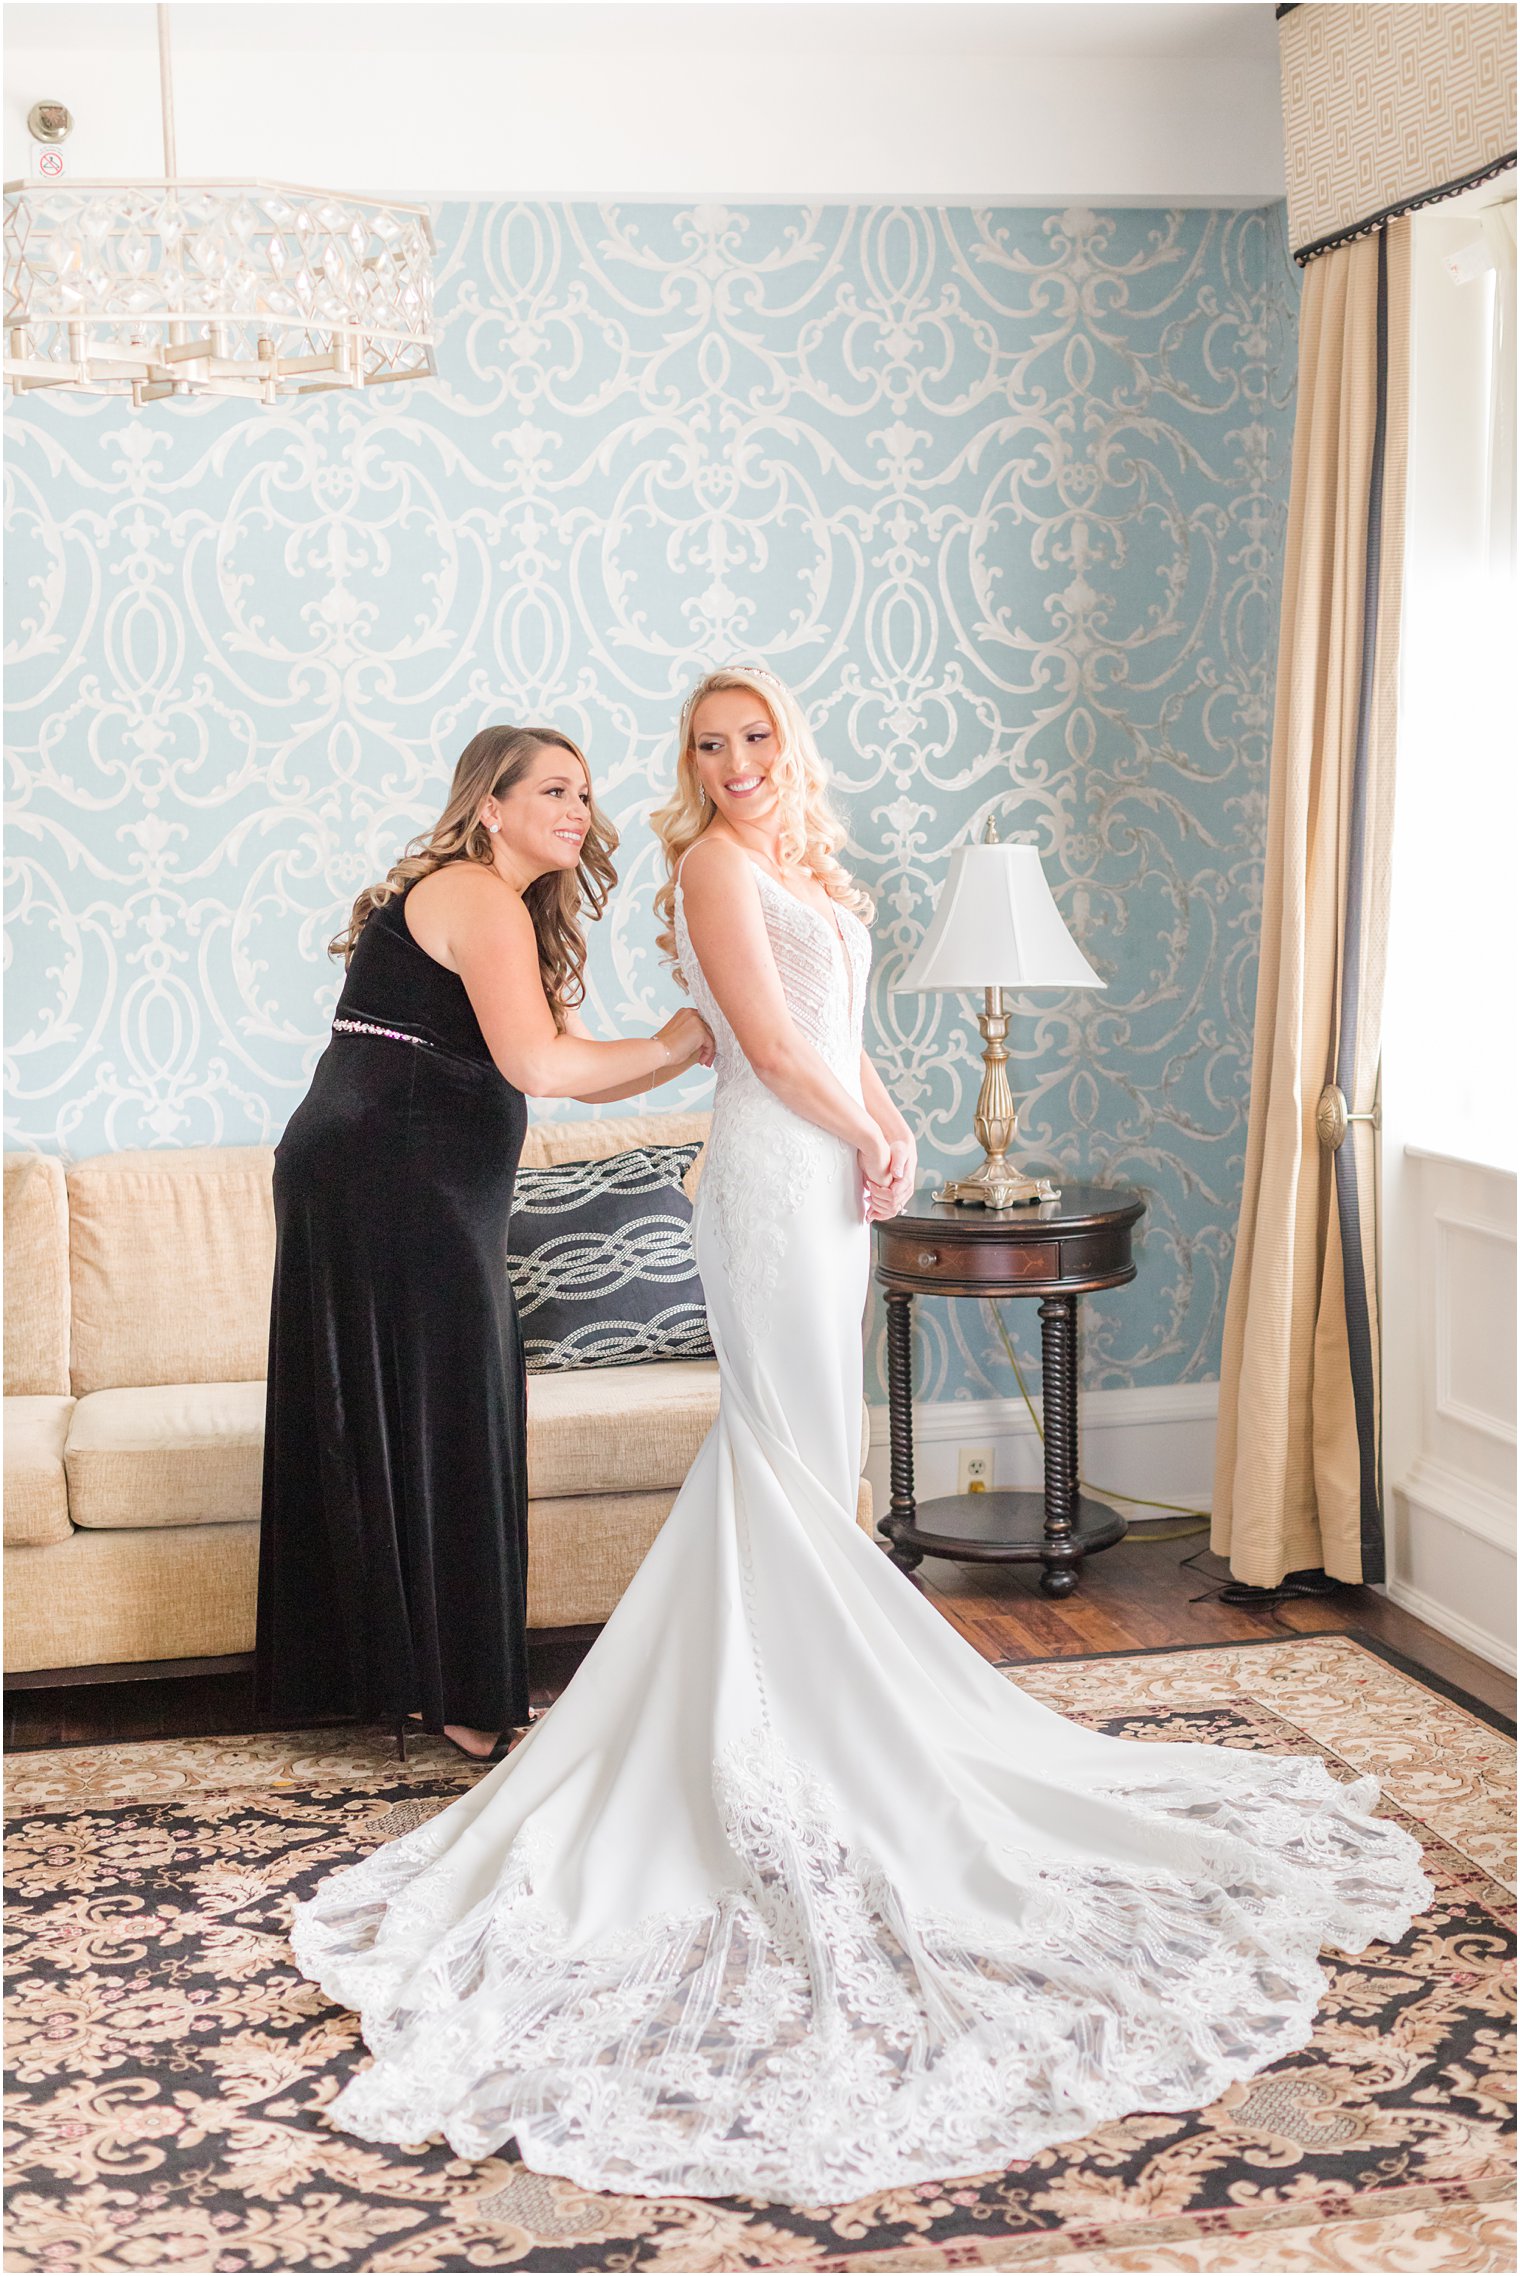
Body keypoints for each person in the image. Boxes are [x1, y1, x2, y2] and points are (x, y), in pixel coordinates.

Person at [287, 669, 1428, 2203]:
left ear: (791, 746)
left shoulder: (805, 864)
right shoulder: (693, 864)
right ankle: (773, 1732)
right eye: (707, 744)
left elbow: (839, 1024)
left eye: (755, 737)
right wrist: (861, 1125)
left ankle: (786, 1711)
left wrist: (891, 1122)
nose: (734, 761)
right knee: (783, 1454)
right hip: (772, 1171)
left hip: (824, 1170)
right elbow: (756, 1043)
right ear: (510, 797)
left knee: (811, 1461)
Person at [254, 725, 711, 1762]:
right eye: (552, 789)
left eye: (584, 795)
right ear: (489, 804)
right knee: (454, 1408)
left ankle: (398, 1678)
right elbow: (544, 1065)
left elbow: (564, 1064)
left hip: (399, 1168)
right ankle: (463, 1694)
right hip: (390, 1170)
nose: (576, 810)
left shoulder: (495, 905)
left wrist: (684, 1051)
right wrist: (686, 1037)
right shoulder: (476, 895)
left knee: (419, 1406)